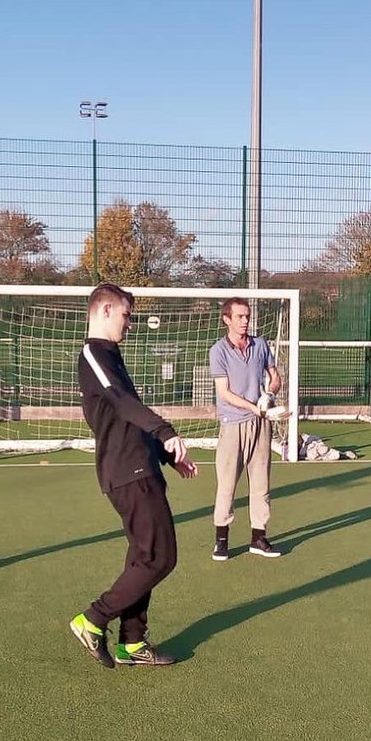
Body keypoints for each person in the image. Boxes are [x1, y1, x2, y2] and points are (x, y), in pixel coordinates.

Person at [71, 283, 198, 669]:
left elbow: (128, 415)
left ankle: (132, 642)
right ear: (105, 311)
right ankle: (92, 619)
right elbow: (120, 401)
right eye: (126, 314)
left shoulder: (111, 354)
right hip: (127, 472)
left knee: (143, 558)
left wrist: (164, 453)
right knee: (160, 558)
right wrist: (166, 430)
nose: (131, 323)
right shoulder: (93, 353)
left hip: (142, 465)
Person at [209, 297, 282, 561]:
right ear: (227, 319)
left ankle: (258, 538)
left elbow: (275, 378)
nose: (245, 321)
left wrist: (269, 397)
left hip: (261, 425)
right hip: (233, 425)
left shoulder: (261, 345)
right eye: (240, 316)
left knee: (261, 483)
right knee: (227, 485)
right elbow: (224, 392)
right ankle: (221, 541)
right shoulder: (218, 351)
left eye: (247, 316)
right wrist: (254, 407)